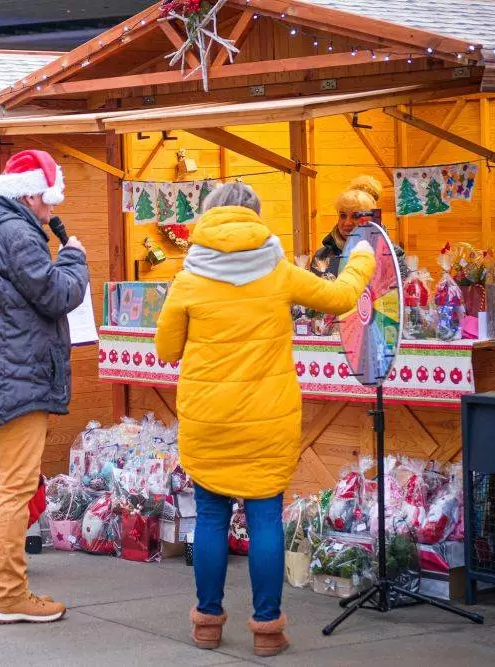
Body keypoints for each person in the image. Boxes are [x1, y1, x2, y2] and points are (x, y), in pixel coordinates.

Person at [155, 182, 375, 657]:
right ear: (255, 216)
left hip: (209, 418)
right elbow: (340, 298)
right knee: (265, 519)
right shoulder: (278, 272)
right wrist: (361, 256)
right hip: (266, 417)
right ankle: (267, 630)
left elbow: (166, 349)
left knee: (211, 517)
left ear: (208, 218)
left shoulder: (189, 278)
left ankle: (207, 625)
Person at [0, 149, 88, 624]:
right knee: (14, 488)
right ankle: (8, 593)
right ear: (30, 194)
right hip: (18, 376)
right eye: (49, 200)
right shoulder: (18, 234)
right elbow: (54, 294)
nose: (52, 211)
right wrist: (74, 261)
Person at [311, 175, 406, 279]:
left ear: (370, 219)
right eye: (343, 215)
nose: (347, 223)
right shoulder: (321, 256)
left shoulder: (393, 255)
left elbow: (400, 292)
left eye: (355, 216)